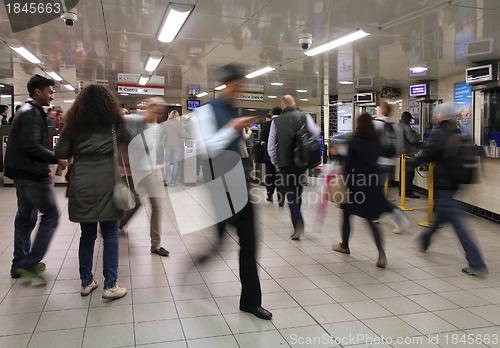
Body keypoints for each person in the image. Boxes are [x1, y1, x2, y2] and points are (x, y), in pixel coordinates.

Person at [193, 63, 272, 320]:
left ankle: (250, 301)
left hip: (237, 182)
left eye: (241, 85)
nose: (238, 90)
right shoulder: (206, 111)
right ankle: (201, 258)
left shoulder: (231, 110)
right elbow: (206, 148)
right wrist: (232, 127)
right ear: (224, 85)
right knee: (220, 242)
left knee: (249, 239)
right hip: (217, 185)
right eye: (236, 85)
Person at [55, 84, 132, 299]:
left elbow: (60, 151)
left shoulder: (73, 123)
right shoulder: (114, 122)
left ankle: (86, 282)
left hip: (82, 181)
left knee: (87, 234)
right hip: (108, 179)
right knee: (109, 233)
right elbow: (133, 140)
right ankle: (111, 285)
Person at [408, 103, 488, 277]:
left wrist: (411, 163)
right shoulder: (457, 131)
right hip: (454, 182)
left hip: (444, 183)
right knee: (441, 214)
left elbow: (429, 153)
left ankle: (476, 263)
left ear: (439, 117)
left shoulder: (440, 132)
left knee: (458, 222)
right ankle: (425, 240)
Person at [4, 74, 67, 284]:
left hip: (23, 173)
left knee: (25, 219)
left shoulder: (27, 110)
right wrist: (55, 158)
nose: (52, 95)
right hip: (30, 175)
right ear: (37, 91)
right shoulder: (32, 113)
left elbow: (26, 147)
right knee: (50, 216)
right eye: (50, 91)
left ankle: (19, 264)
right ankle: (28, 264)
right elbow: (31, 146)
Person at [332, 113, 389, 268]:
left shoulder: (354, 141)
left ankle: (344, 245)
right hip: (372, 184)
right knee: (372, 220)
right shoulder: (377, 142)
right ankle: (381, 254)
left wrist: (339, 159)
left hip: (355, 185)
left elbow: (348, 164)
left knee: (346, 214)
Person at [120, 97, 169, 257]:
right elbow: (115, 121)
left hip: (149, 171)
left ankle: (156, 244)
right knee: (133, 203)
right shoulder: (132, 119)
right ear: (147, 108)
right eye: (154, 110)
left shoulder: (155, 128)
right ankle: (117, 224)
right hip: (131, 172)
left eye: (159, 112)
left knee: (157, 205)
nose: (156, 114)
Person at [267, 94, 320, 240]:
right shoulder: (304, 116)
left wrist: (276, 163)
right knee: (297, 190)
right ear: (294, 104)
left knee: (290, 194)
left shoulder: (276, 122)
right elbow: (316, 132)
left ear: (283, 106)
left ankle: (297, 222)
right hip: (301, 162)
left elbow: (271, 146)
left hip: (284, 164)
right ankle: (298, 219)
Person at [373, 102, 410, 234]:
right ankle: (375, 215)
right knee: (377, 190)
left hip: (376, 162)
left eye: (378, 109)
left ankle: (396, 213)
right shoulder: (396, 128)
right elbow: (400, 148)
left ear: (382, 110)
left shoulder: (375, 124)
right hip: (390, 164)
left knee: (374, 191)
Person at [159, 110, 190, 187]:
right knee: (176, 163)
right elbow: (183, 135)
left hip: (168, 146)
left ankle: (168, 180)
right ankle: (173, 182)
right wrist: (190, 136)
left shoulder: (166, 123)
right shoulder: (180, 124)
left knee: (167, 163)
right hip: (177, 146)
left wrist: (160, 142)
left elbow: (161, 134)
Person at [260, 107, 282, 204]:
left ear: (272, 113)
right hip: (281, 153)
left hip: (268, 154)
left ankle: (270, 194)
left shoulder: (266, 123)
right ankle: (281, 198)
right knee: (280, 175)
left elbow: (263, 137)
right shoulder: (283, 122)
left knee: (269, 174)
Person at [398, 111, 420, 198]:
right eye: (410, 119)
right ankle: (407, 192)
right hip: (409, 153)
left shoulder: (397, 126)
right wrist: (417, 135)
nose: (410, 121)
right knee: (409, 174)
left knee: (402, 173)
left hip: (401, 154)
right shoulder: (406, 127)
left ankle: (402, 190)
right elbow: (413, 140)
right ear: (406, 118)